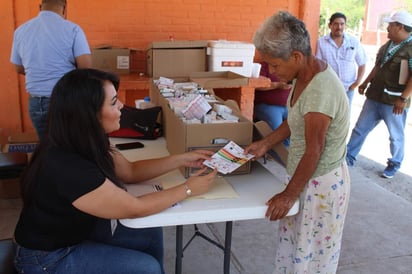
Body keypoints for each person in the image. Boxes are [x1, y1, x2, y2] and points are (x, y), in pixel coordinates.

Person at [13, 68, 218, 274]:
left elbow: (130, 171)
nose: (121, 105)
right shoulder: (68, 165)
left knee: (150, 233)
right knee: (147, 268)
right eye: (113, 102)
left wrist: (181, 159)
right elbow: (134, 207)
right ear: (88, 114)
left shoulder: (86, 139)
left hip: (76, 231)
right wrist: (188, 189)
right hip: (47, 258)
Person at [245, 11, 350, 273]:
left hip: (320, 185)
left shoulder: (320, 91)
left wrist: (288, 194)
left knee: (312, 258)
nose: (271, 71)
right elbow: (295, 121)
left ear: (296, 56)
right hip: (305, 178)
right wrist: (266, 143)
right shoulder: (303, 76)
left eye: (275, 65)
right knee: (295, 252)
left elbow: (314, 150)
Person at [10, 0, 92, 140]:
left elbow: (18, 67)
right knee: (69, 146)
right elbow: (86, 68)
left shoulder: (21, 31)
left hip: (36, 103)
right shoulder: (73, 29)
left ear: (40, 7)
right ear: (64, 9)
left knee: (47, 147)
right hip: (64, 99)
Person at [346, 10, 412, 179]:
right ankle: (348, 158)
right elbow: (378, 67)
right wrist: (366, 82)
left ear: (400, 27)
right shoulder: (387, 45)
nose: (387, 28)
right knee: (360, 129)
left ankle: (394, 164)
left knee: (395, 137)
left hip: (394, 101)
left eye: (391, 25)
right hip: (374, 97)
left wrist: (403, 98)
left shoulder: (410, 49)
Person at [316, 12, 367, 112]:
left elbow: (362, 63)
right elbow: (318, 65)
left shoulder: (353, 42)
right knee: (328, 114)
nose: (339, 27)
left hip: (348, 89)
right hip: (329, 88)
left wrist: (356, 83)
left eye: (342, 24)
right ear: (330, 25)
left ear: (345, 25)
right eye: (335, 24)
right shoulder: (321, 42)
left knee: (344, 116)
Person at [254, 61, 291, 147]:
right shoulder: (264, 66)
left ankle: (287, 151)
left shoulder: (289, 66)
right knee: (278, 132)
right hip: (267, 106)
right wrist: (277, 85)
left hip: (288, 106)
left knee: (298, 126)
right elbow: (257, 85)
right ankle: (281, 156)